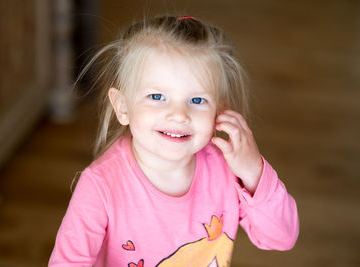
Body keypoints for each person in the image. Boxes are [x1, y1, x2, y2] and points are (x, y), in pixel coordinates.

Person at [49, 15, 299, 267]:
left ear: (218, 113)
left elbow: (282, 237)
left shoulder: (227, 170)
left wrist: (254, 172)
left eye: (197, 100)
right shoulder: (100, 186)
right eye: (157, 96)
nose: (179, 115)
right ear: (122, 107)